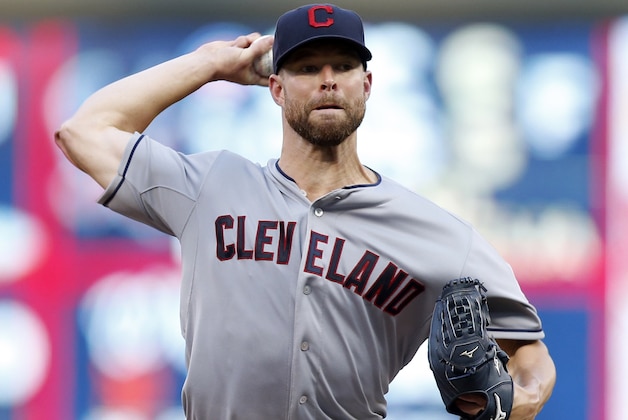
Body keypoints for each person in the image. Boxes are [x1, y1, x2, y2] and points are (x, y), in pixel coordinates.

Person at [55, 4, 555, 419]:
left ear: (367, 84)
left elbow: (532, 355)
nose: (328, 80)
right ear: (275, 87)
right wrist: (209, 64)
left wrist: (515, 401)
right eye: (307, 67)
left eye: (343, 66)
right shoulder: (210, 187)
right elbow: (84, 132)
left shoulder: (438, 234)